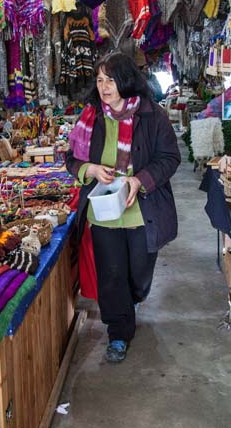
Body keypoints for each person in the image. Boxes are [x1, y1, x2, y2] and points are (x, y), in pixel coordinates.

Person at [66, 52, 181, 363]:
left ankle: (131, 302)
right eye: (100, 79)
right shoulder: (91, 117)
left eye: (111, 80)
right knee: (112, 273)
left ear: (126, 80)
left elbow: (170, 158)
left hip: (141, 210)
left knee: (139, 274)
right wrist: (89, 169)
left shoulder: (152, 116)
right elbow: (70, 158)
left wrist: (138, 180)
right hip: (103, 211)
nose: (104, 86)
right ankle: (118, 331)